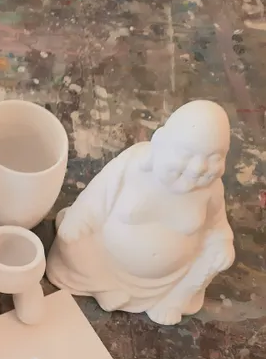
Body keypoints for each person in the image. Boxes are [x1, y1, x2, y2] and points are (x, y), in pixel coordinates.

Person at [46, 100, 235, 325]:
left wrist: (224, 243)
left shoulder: (211, 189)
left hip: (169, 279)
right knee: (71, 239)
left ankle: (173, 300)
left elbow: (217, 227)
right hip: (106, 260)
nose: (198, 168)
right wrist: (79, 220)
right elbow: (95, 198)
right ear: (160, 142)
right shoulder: (132, 164)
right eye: (187, 155)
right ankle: (104, 287)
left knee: (216, 257)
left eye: (214, 158)